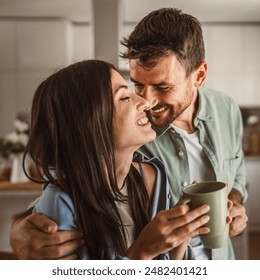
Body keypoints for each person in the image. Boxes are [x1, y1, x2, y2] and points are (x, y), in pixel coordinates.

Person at [10, 7, 247, 260]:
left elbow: (238, 174)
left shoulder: (227, 109)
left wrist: (235, 203)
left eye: (162, 86)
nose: (147, 100)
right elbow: (75, 176)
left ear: (198, 75)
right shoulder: (133, 131)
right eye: (137, 85)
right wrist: (18, 230)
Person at [10, 59, 210, 260]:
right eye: (124, 97)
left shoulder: (152, 177)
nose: (145, 102)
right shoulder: (60, 204)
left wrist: (179, 237)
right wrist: (143, 251)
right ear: (90, 123)